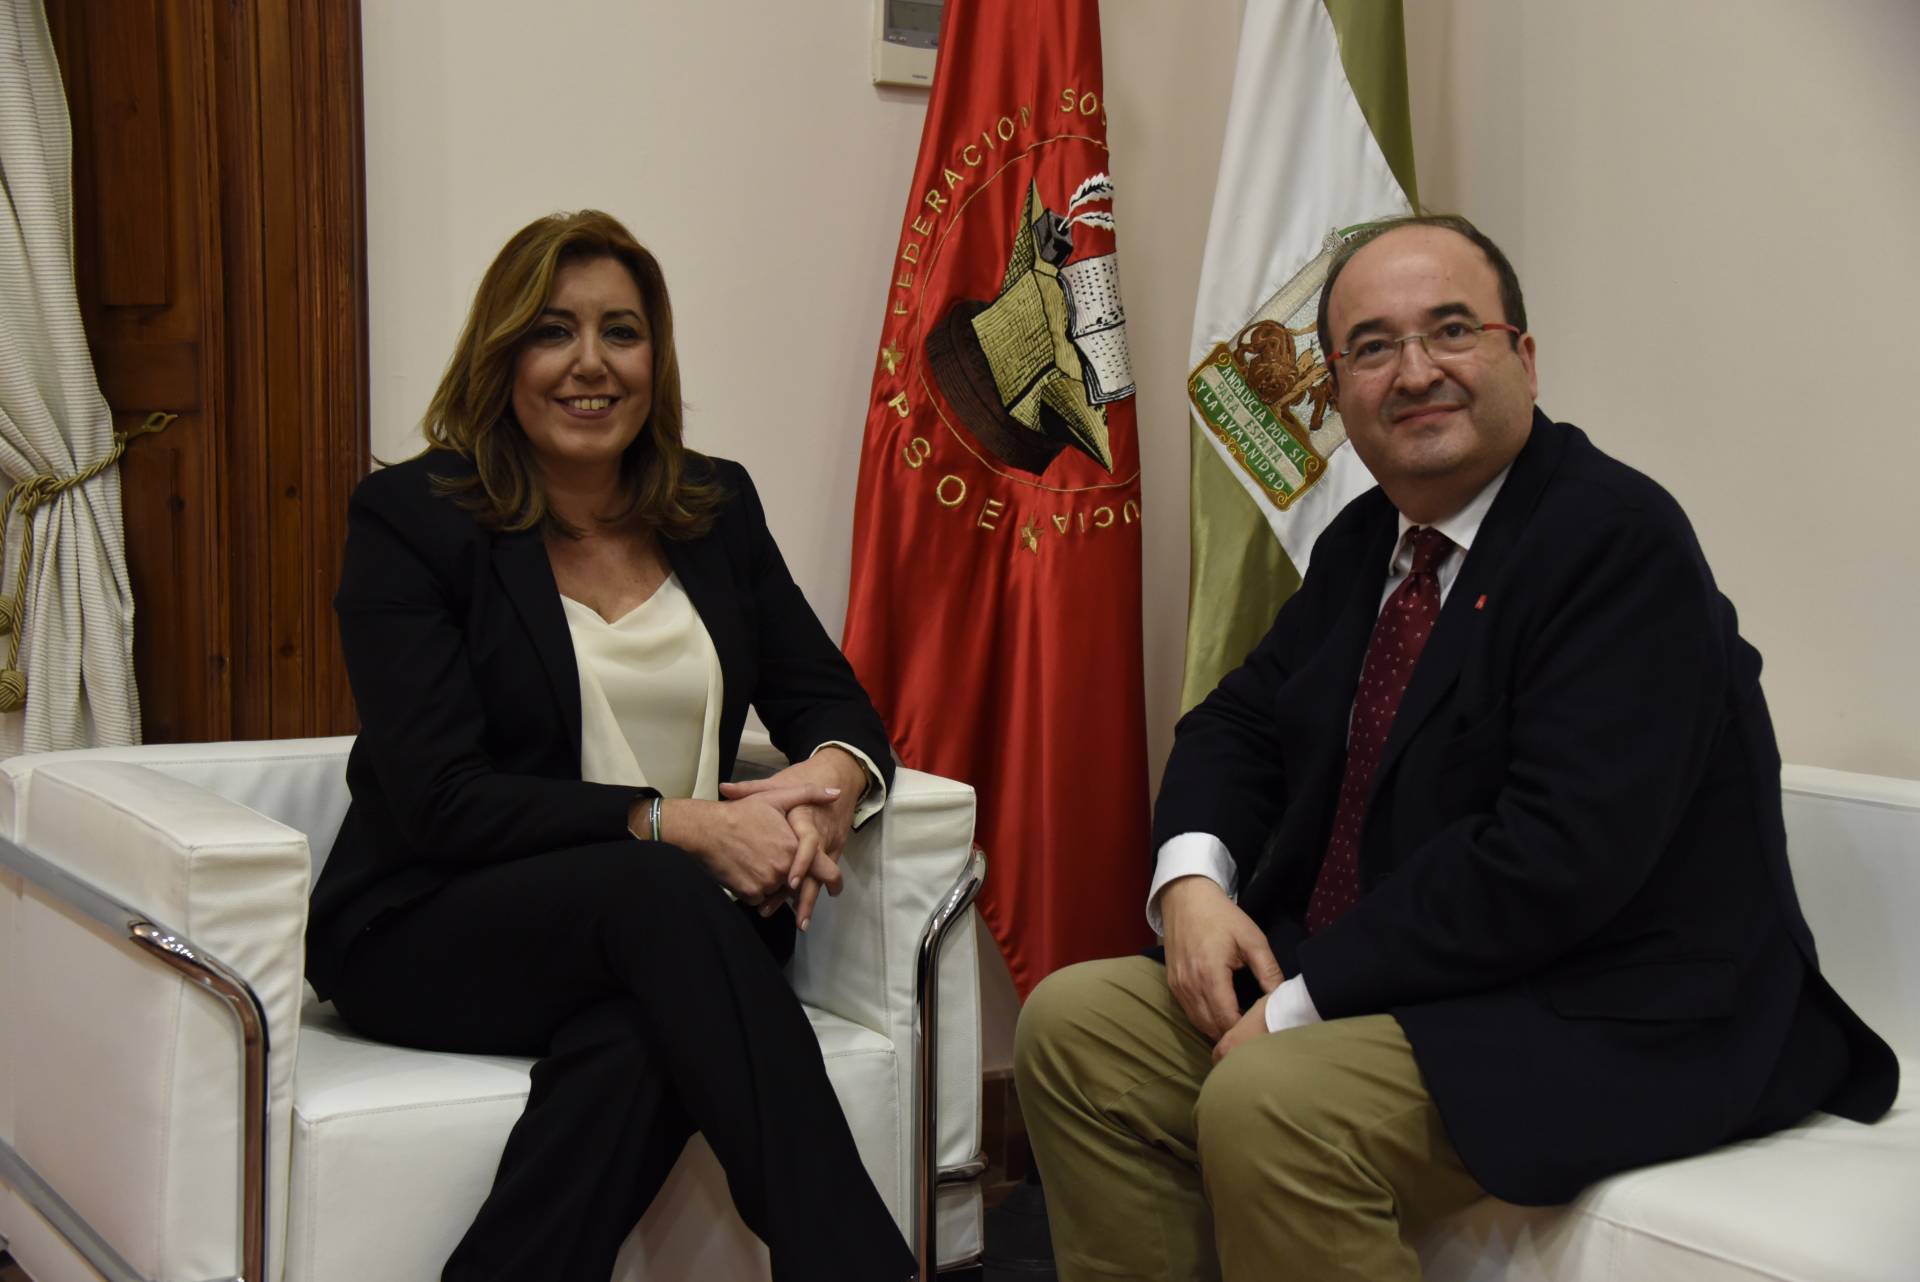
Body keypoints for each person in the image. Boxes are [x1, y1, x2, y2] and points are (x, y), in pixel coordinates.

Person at [1014, 214, 1898, 1282]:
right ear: (1335, 392)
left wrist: (1299, 1002)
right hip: (1428, 979)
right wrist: (1193, 882)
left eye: (1451, 331)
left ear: (1522, 356)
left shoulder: (1615, 542)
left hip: (1616, 1005)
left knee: (1273, 1103)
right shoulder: (1369, 541)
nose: (1416, 372)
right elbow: (1240, 723)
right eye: (1374, 347)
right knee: (1077, 1028)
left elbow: (1553, 860)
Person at [305, 209, 917, 1282]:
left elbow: (837, 707)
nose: (590, 363)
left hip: (674, 939)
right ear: (504, 355)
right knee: (662, 900)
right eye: (553, 331)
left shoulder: (714, 509)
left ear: (655, 356)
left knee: (641, 1040)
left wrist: (828, 784)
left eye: (621, 332)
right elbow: (441, 795)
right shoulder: (413, 520)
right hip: (435, 922)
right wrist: (671, 823)